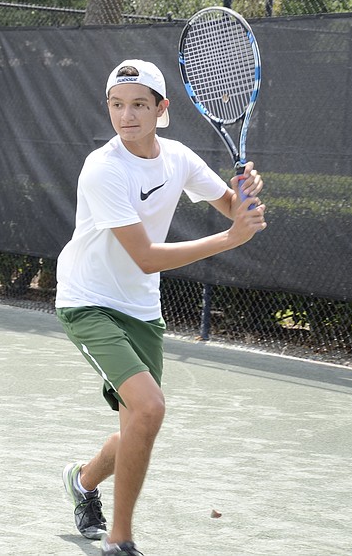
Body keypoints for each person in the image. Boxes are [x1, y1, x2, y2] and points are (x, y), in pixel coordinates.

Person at [56, 59, 267, 556]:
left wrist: (246, 195)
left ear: (161, 109)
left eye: (138, 105)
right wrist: (231, 237)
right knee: (149, 407)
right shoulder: (103, 167)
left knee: (138, 423)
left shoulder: (178, 158)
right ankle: (120, 540)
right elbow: (147, 256)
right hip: (89, 302)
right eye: (117, 105)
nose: (126, 116)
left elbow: (237, 212)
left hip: (142, 309)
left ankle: (82, 483)